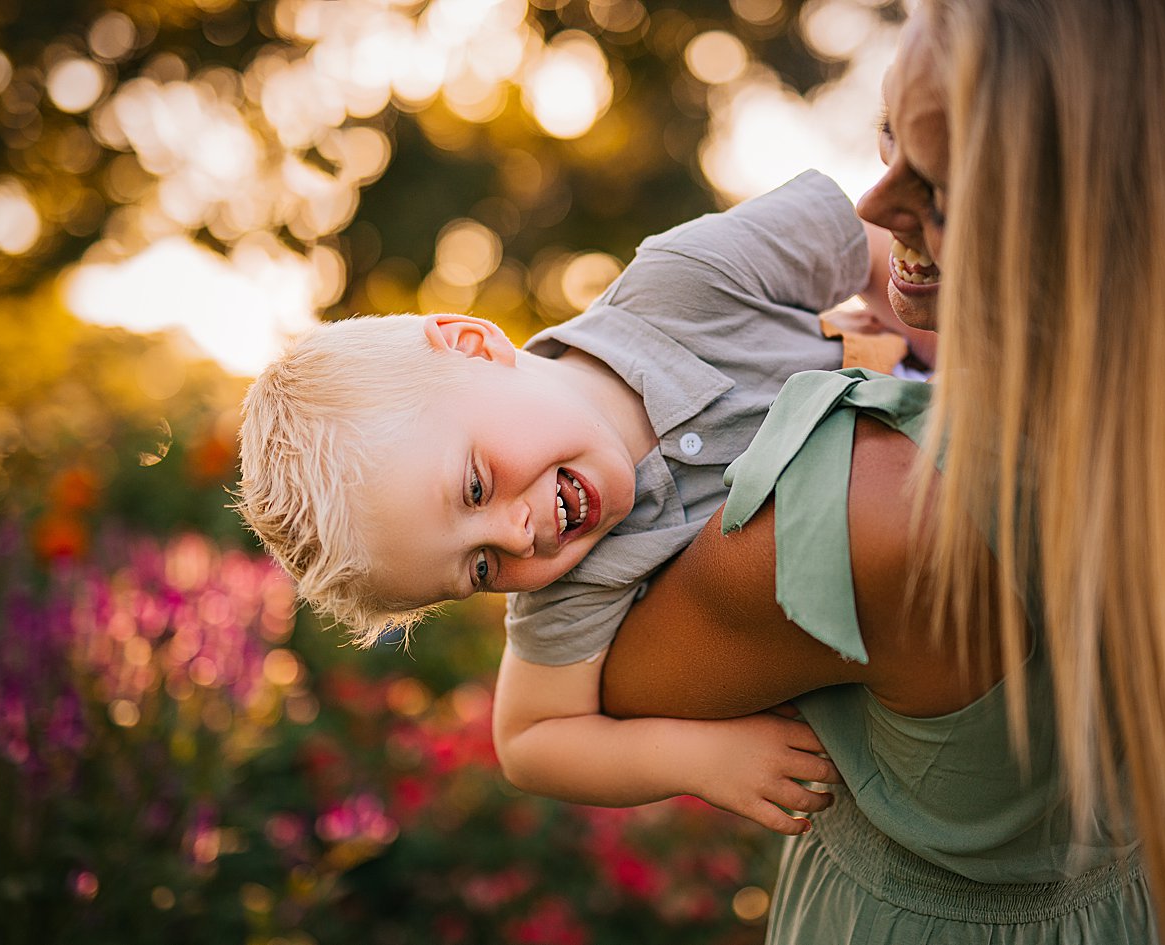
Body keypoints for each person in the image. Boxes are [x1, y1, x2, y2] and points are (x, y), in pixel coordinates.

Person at [586, 0, 1165, 942]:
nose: (872, 205)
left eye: (938, 191)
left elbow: (596, 676)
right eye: (888, 134)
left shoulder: (884, 513)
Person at [238, 171, 888, 834]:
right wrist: (699, 758)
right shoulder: (573, 583)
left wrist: (939, 338)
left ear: (475, 347)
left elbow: (874, 240)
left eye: (475, 488)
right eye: (481, 568)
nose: (516, 538)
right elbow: (530, 741)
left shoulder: (684, 284)